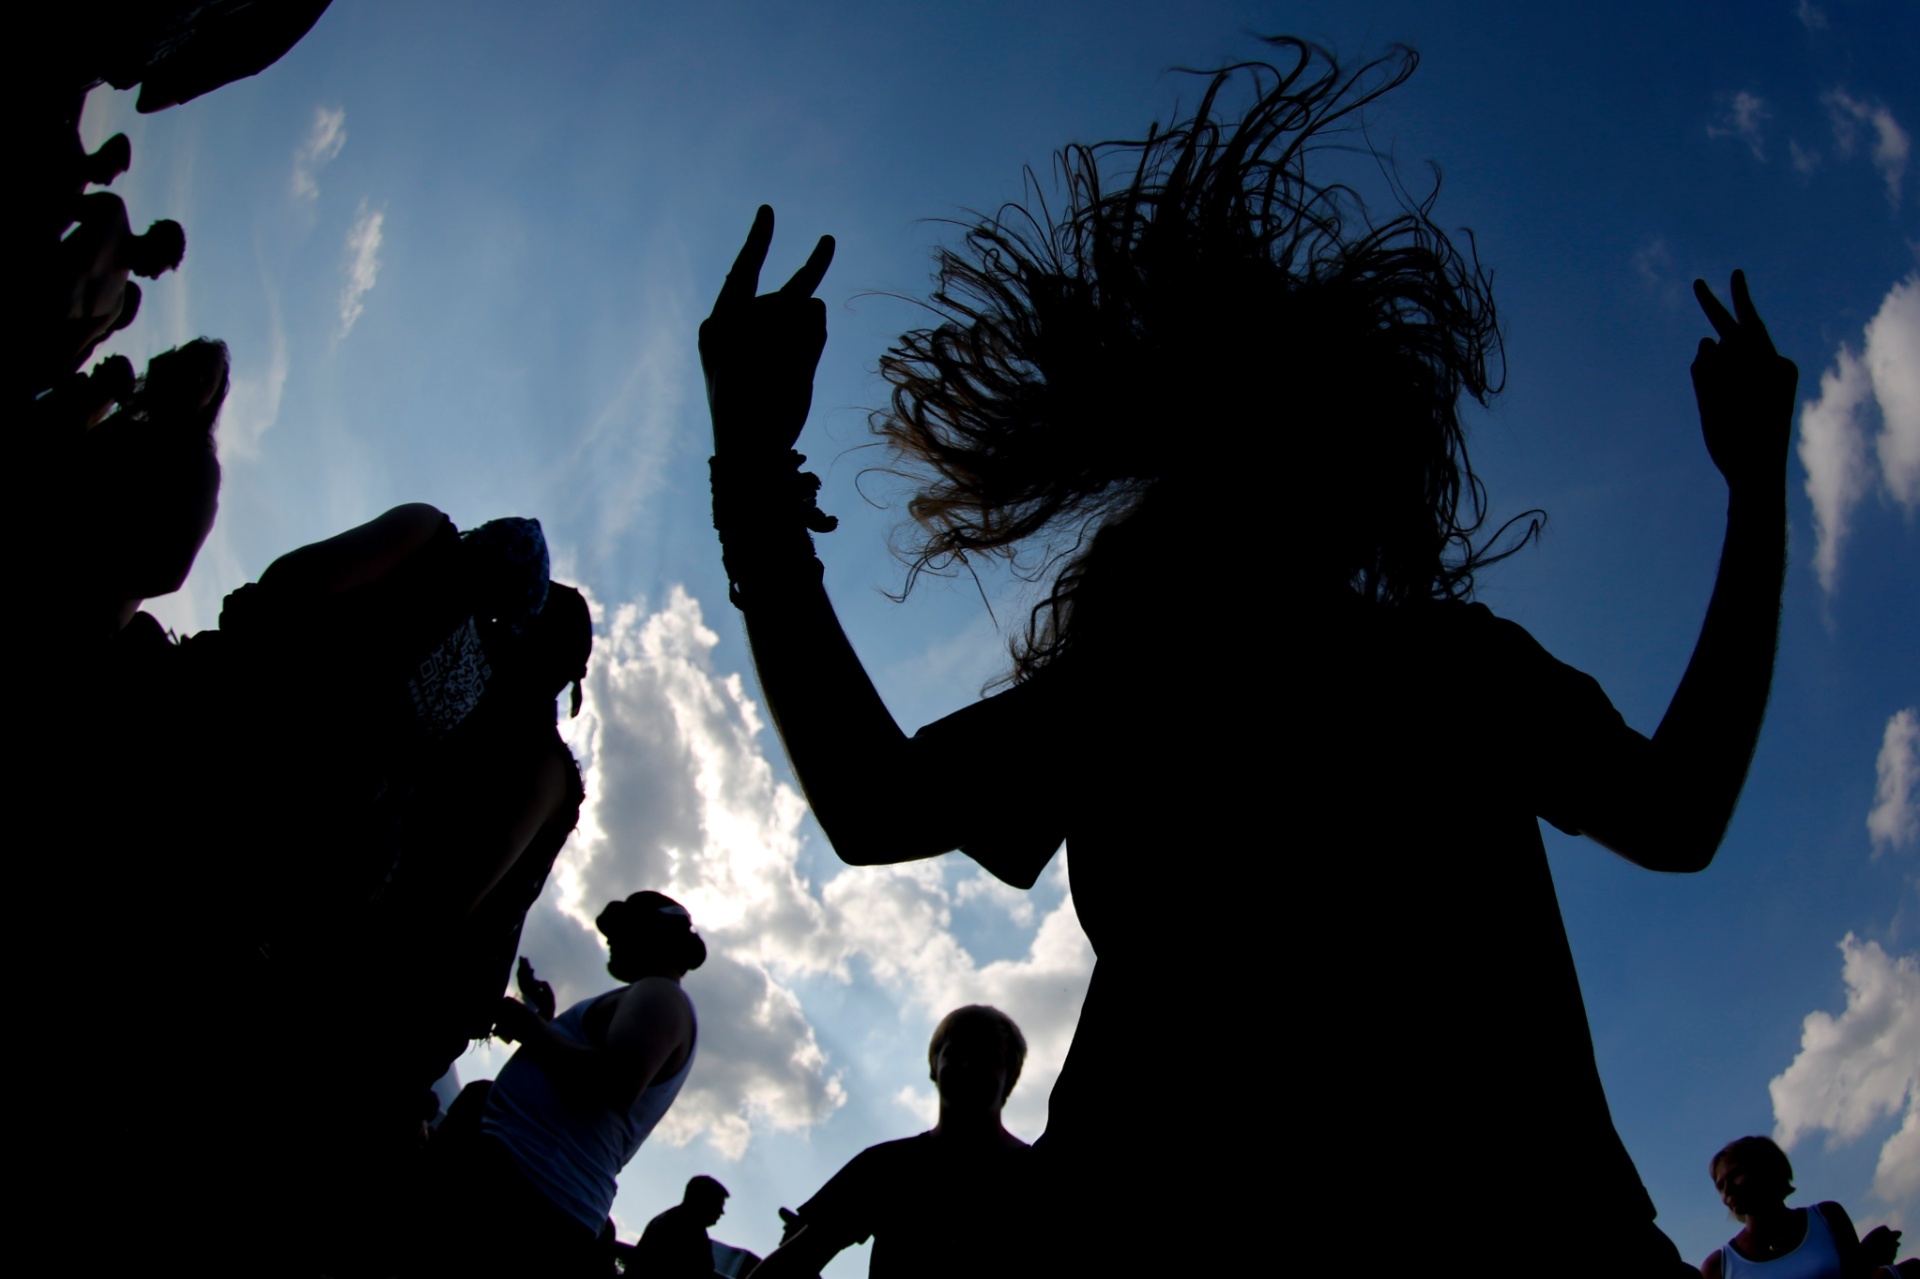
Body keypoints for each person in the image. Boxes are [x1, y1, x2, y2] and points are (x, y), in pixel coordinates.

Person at [698, 38, 1794, 1275]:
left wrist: (748, 481)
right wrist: (1758, 491)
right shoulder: (1427, 667)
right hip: (1504, 1219)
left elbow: (870, 800)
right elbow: (1679, 815)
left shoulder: (1141, 693)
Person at [426, 892, 705, 1278]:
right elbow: (582, 1072)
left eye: (621, 929)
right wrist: (544, 1019)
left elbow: (616, 1081)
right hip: (532, 1194)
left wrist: (533, 1029)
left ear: (653, 935)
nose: (608, 938)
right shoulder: (654, 997)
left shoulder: (661, 995)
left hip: (526, 1196)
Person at [748, 1006, 1035, 1279]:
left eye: (985, 1057)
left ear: (1010, 1076)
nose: (968, 1065)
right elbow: (792, 1262)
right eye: (956, 1053)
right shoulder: (884, 1166)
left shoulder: (1038, 1174)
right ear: (934, 1066)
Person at [1701, 1137, 1903, 1278]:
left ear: (1767, 1169)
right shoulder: (1719, 1267)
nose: (1726, 1191)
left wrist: (1868, 1260)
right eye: (1720, 1185)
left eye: (1735, 1175)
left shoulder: (1827, 1217)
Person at [635, 1176, 731, 1278]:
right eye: (718, 1205)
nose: (722, 1212)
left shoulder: (670, 1220)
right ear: (703, 1201)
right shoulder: (690, 1232)